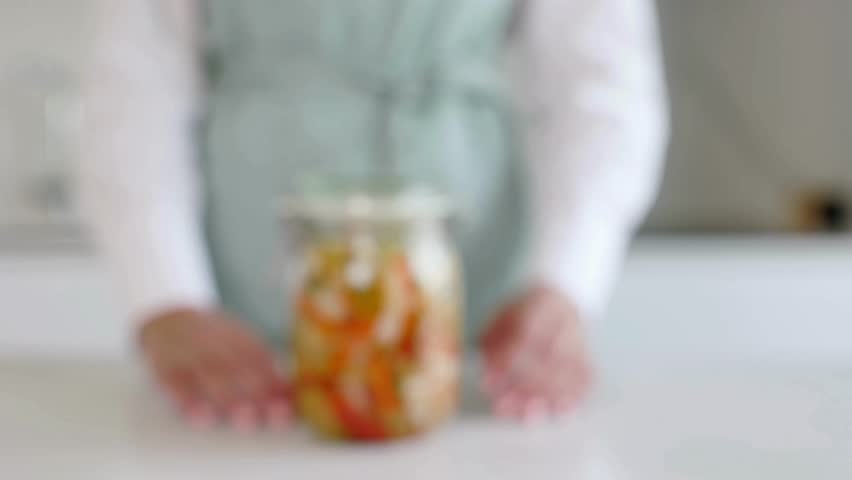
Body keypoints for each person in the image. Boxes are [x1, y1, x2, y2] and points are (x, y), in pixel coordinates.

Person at [79, 0, 667, 429]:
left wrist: (566, 279)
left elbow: (600, 85)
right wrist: (165, 297)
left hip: (476, 320)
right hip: (246, 326)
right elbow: (135, 82)